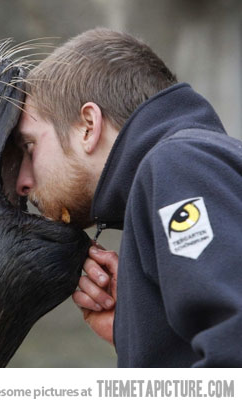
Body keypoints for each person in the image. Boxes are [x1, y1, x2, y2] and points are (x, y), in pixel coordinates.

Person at [14, 27, 242, 367]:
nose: (22, 181)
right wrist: (144, 330)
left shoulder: (177, 164)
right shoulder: (184, 167)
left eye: (30, 146)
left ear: (89, 126)